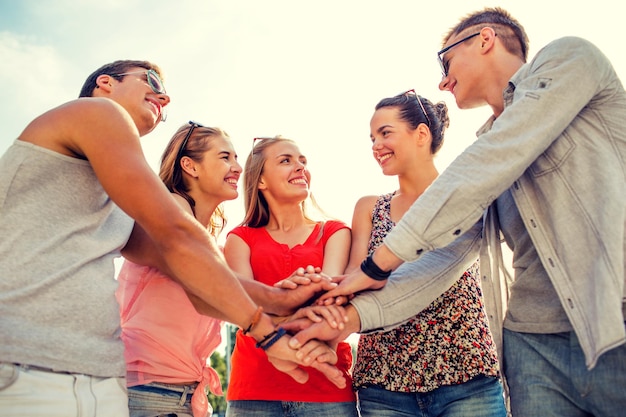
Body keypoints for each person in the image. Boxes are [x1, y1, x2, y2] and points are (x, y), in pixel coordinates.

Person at [294, 7, 626, 417]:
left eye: (446, 60)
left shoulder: (570, 59)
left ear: (484, 40)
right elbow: (442, 260)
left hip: (615, 317)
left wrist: (377, 264)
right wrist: (347, 319)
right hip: (532, 348)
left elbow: (497, 155)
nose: (442, 80)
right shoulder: (481, 161)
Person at [0, 60, 344, 416]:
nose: (163, 97)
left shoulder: (116, 207)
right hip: (31, 361)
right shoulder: (97, 111)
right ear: (106, 83)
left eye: (166, 101)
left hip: (94, 374)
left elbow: (193, 276)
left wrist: (277, 300)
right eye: (150, 82)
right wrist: (266, 330)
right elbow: (178, 240)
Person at [348, 90, 505, 416]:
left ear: (421, 133)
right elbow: (353, 282)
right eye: (372, 137)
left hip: (466, 375)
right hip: (384, 384)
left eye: (385, 133)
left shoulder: (466, 195)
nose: (376, 145)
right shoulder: (368, 208)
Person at [223, 136, 357, 417]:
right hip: (254, 391)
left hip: (327, 391)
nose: (300, 167)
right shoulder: (240, 238)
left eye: (302, 161)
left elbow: (331, 302)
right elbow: (240, 306)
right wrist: (284, 293)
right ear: (260, 181)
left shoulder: (335, 232)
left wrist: (278, 298)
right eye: (286, 160)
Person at [116, 122, 241, 417]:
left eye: (237, 158)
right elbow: (212, 286)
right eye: (225, 157)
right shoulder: (168, 210)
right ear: (190, 166)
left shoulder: (208, 242)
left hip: (180, 393)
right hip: (148, 391)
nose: (237, 166)